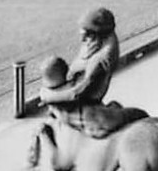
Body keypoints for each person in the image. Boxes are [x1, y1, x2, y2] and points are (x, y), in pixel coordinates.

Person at [42, 8, 136, 137]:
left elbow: (78, 93)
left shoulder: (100, 59)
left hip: (84, 108)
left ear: (95, 33)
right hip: (76, 96)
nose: (81, 34)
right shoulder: (94, 43)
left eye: (85, 31)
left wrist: (48, 97)